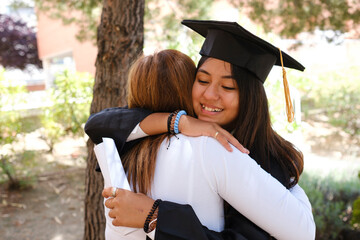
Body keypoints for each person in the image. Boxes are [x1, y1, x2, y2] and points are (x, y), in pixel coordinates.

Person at [85, 20, 315, 240]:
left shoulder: (261, 159)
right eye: (202, 80)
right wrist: (179, 121)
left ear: (250, 99)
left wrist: (155, 217)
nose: (209, 95)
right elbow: (98, 124)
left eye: (227, 86)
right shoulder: (185, 131)